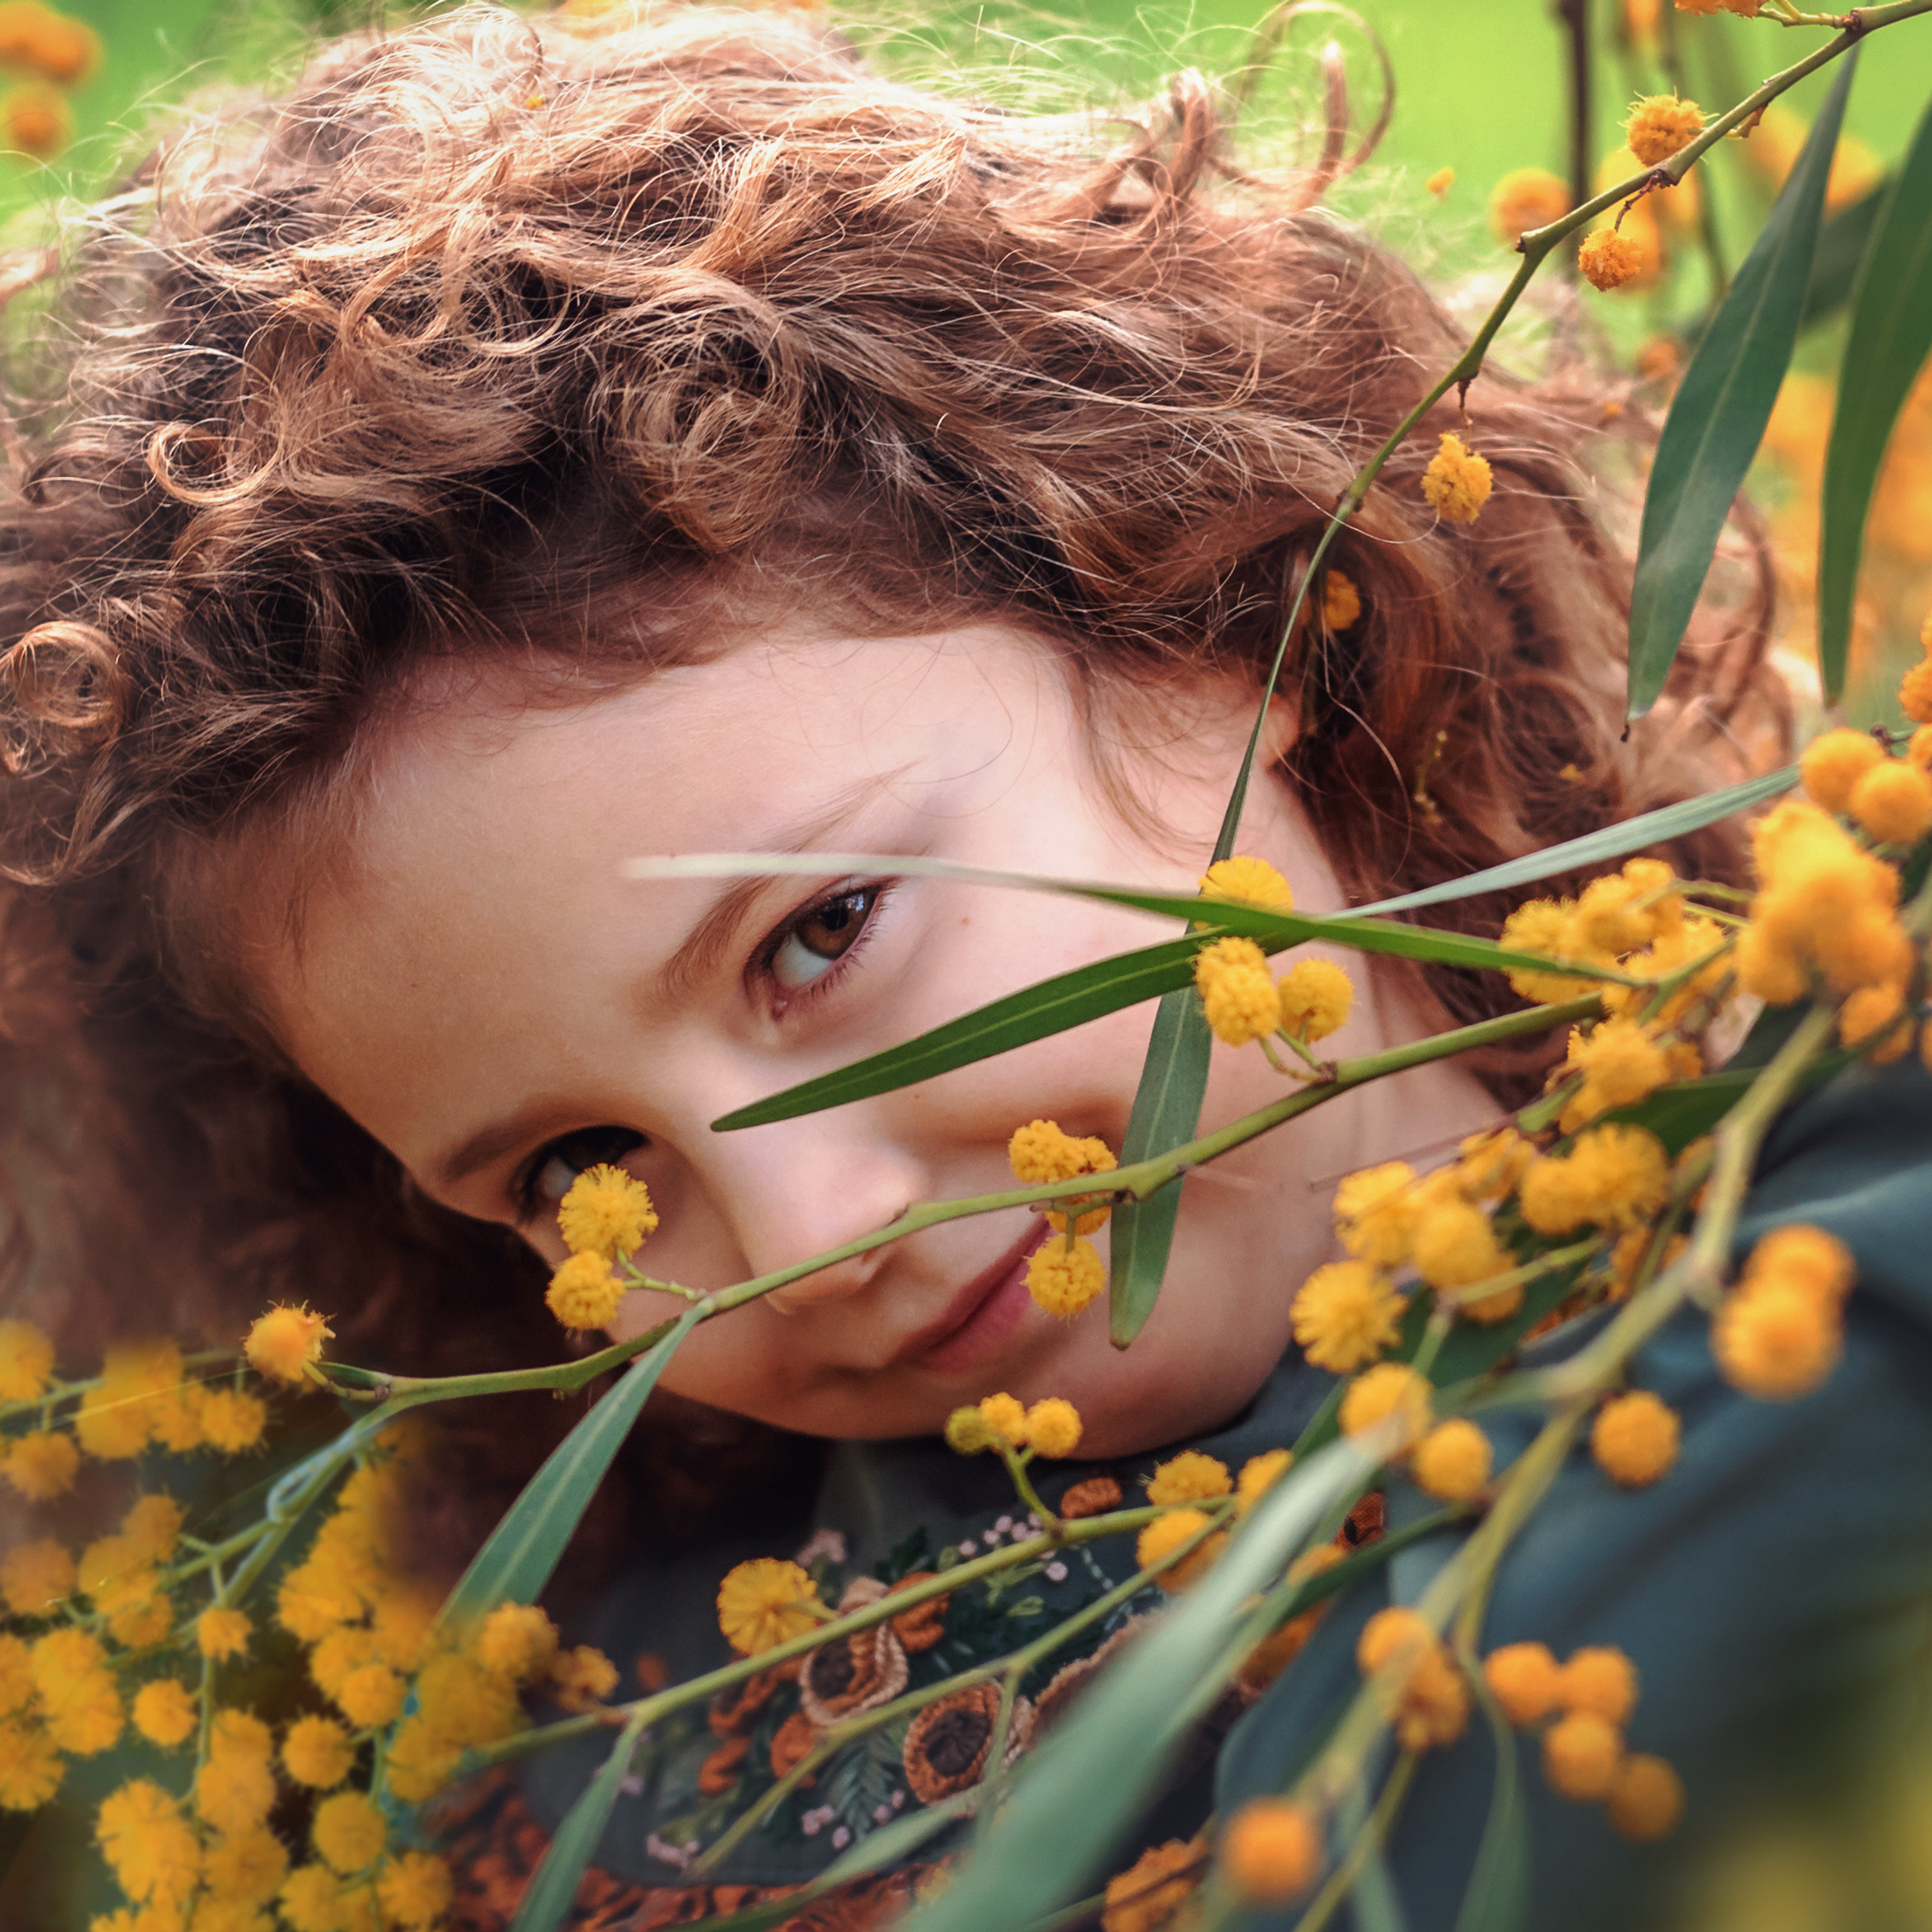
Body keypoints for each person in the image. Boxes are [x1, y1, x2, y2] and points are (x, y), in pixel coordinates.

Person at [5, 6, 1921, 1930]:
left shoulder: (1850, 1295)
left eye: (821, 932)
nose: (804, 1235)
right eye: (579, 1173)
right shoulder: (618, 1765)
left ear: (1203, 609)